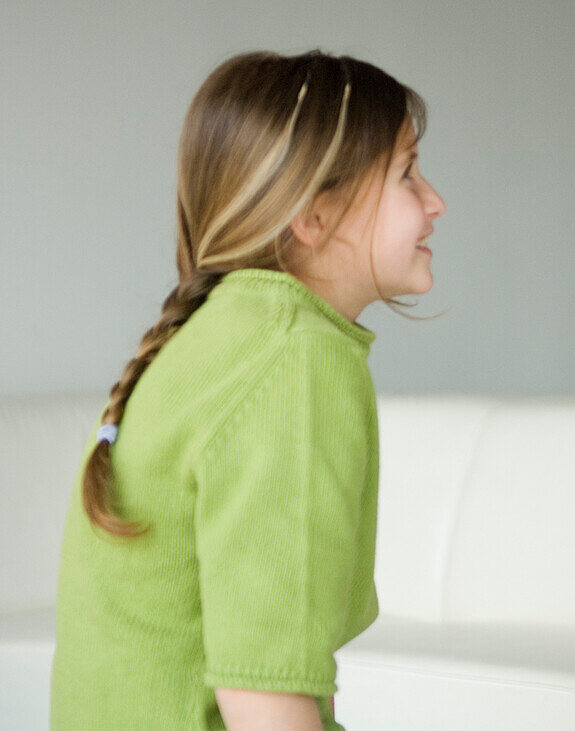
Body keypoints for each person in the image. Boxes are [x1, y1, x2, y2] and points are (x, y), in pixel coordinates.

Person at [50, 50, 444, 729]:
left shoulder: (234, 333)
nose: (436, 200)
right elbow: (263, 698)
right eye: (407, 173)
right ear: (312, 217)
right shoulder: (297, 356)